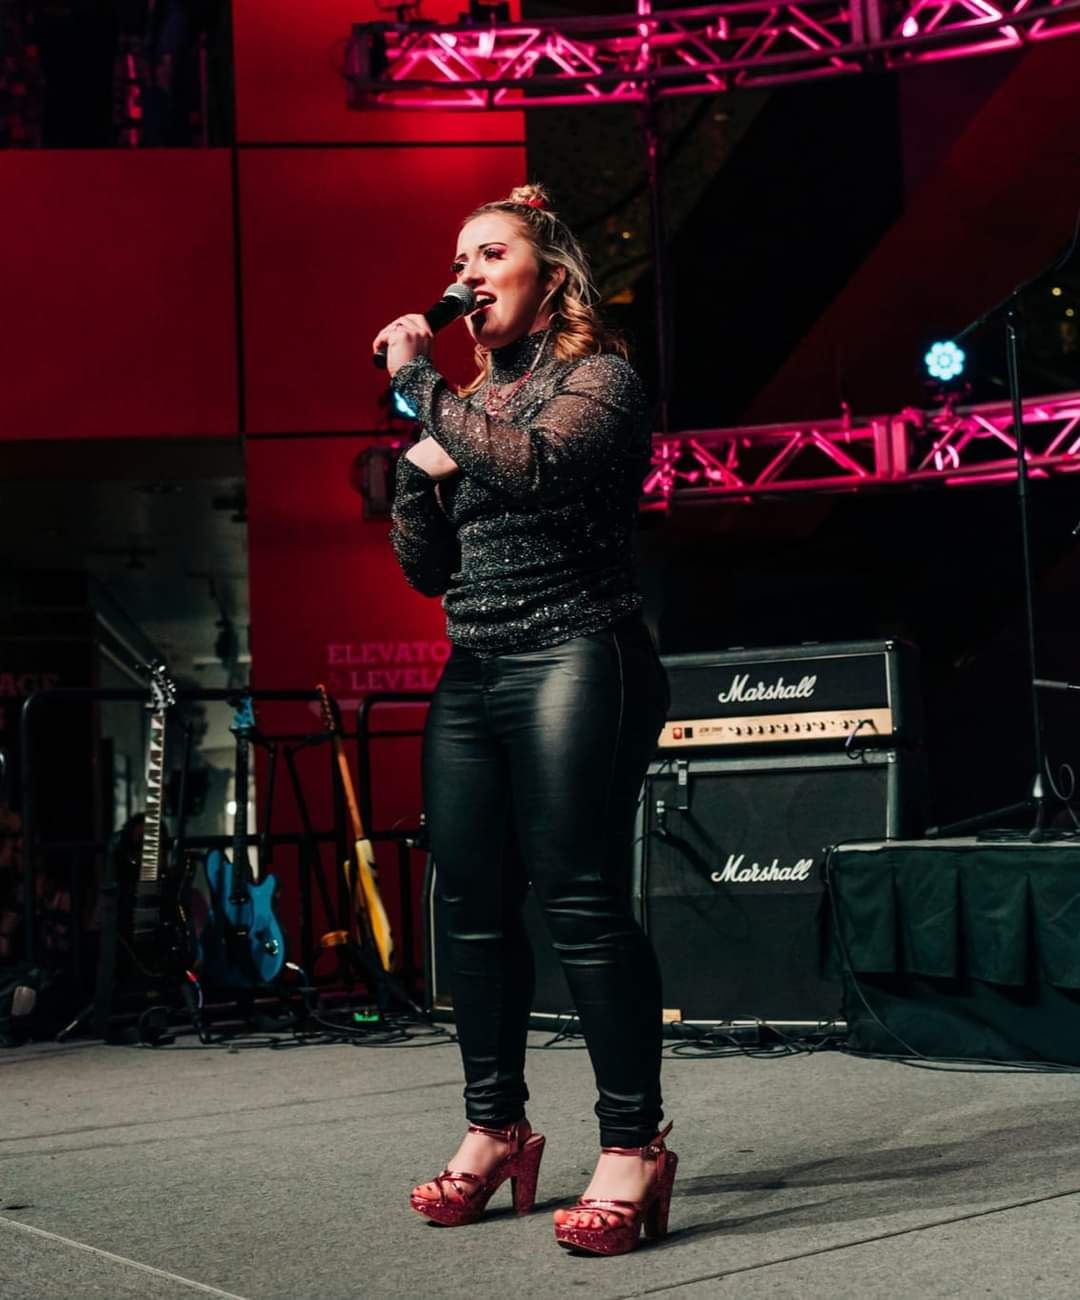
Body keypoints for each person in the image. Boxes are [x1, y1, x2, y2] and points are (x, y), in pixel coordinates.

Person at [373, 182, 675, 1257]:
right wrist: (410, 480)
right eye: (459, 260)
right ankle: (496, 1128)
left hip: (579, 654)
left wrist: (420, 393)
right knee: (470, 907)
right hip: (477, 666)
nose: (467, 275)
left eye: (490, 254)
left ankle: (633, 1145)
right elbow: (430, 572)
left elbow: (538, 469)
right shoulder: (464, 404)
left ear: (550, 280)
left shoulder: (599, 381)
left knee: (579, 898)